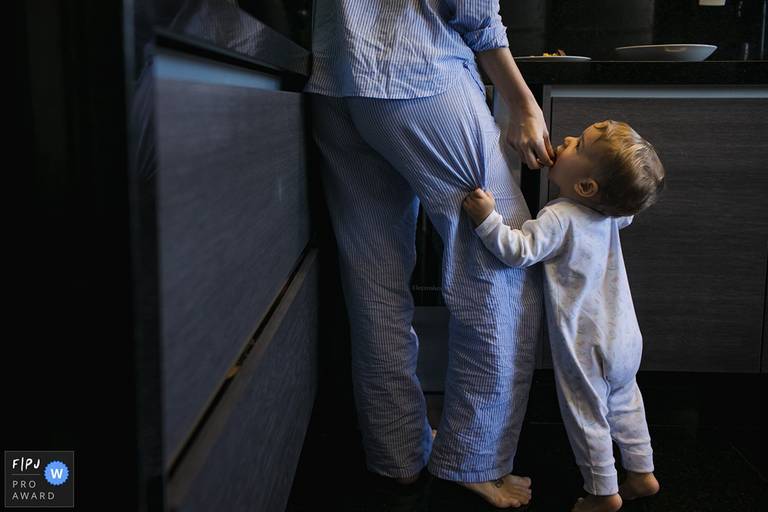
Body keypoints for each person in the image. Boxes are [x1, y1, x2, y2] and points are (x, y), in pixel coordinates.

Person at [305, 1, 554, 508]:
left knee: (373, 281)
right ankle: (474, 459)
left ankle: (397, 454)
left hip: (335, 79)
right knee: (501, 264)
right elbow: (471, 7)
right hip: (418, 70)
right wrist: (522, 101)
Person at [463, 120, 665, 512]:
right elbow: (627, 212)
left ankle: (603, 492)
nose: (567, 140)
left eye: (579, 144)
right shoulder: (611, 215)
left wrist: (487, 219)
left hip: (585, 343)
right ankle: (642, 473)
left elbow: (518, 251)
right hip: (625, 337)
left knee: (586, 416)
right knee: (626, 402)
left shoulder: (561, 216)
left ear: (586, 187)